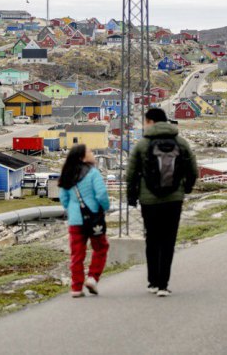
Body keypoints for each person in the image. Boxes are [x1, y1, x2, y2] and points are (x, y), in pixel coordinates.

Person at [127, 108, 198, 297]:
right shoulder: (181, 142)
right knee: (168, 240)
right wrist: (186, 188)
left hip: (149, 200)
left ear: (150, 122)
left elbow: (131, 173)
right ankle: (163, 285)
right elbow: (193, 169)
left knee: (152, 239)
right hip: (174, 199)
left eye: (145, 121)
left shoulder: (142, 144)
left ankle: (152, 282)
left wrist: (132, 196)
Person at [59, 144, 110, 298]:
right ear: (83, 157)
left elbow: (64, 199)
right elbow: (101, 194)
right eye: (89, 151)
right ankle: (93, 278)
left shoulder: (67, 174)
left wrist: (74, 210)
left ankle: (76, 287)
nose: (92, 152)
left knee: (77, 254)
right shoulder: (93, 173)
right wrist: (104, 208)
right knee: (101, 248)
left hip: (75, 221)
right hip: (93, 219)